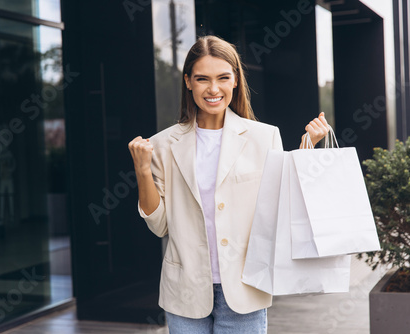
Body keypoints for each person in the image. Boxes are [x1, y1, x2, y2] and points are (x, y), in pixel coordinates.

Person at [128, 35, 329, 334]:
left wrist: (306, 148)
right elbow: (160, 226)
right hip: (185, 290)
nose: (213, 89)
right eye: (202, 79)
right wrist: (143, 170)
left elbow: (280, 206)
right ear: (188, 82)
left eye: (223, 77)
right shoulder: (163, 145)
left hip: (245, 287)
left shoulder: (264, 137)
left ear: (235, 81)